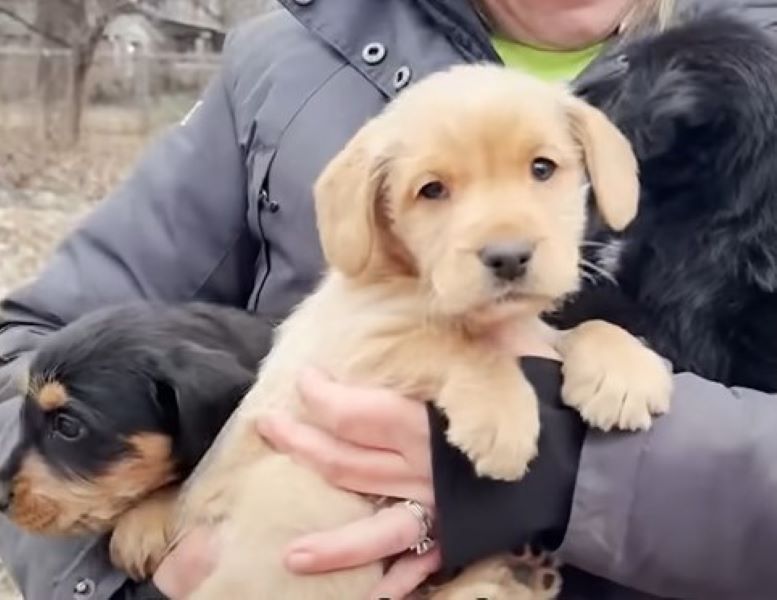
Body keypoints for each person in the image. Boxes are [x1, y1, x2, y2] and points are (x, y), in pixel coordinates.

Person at [2, 0, 777, 598]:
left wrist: (581, 471)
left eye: (544, 168)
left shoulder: (757, 72)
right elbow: (32, 352)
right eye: (432, 190)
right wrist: (132, 572)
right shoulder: (289, 63)